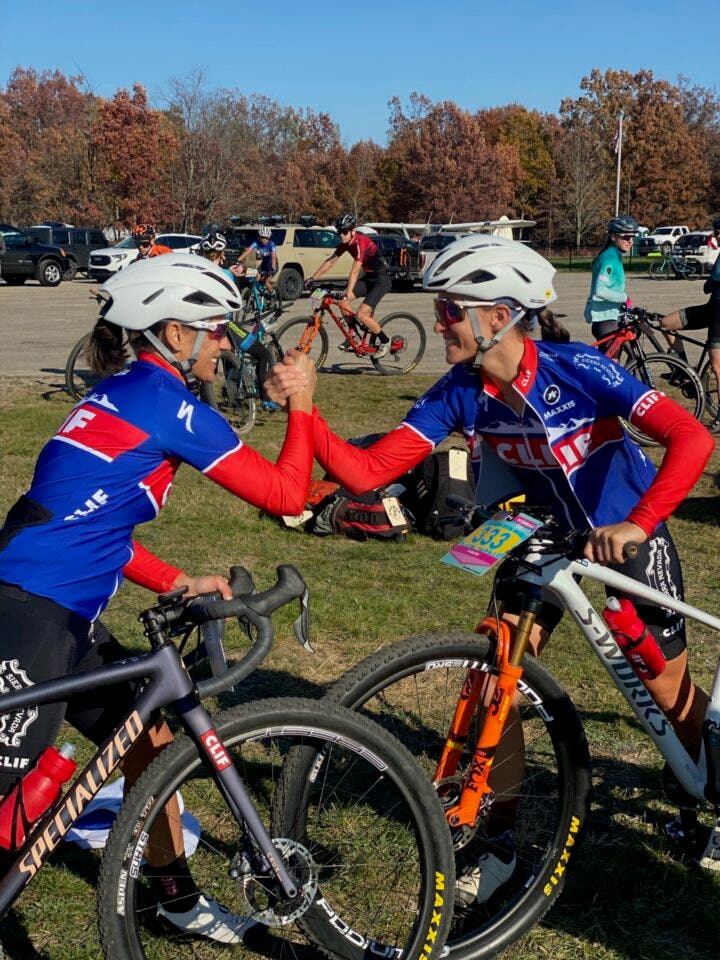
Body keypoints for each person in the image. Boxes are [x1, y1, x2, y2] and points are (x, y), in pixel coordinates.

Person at [276, 235, 714, 905]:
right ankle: (499, 838)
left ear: (499, 316)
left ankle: (705, 784)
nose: (438, 322)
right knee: (494, 680)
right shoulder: (459, 391)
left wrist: (637, 523)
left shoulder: (579, 368)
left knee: (667, 694)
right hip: (547, 536)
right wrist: (304, 405)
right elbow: (366, 472)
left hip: (628, 535)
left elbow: (692, 436)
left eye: (450, 310)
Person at [0, 254, 315, 944]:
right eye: (217, 329)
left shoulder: (118, 394)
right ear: (176, 334)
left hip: (55, 608)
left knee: (149, 741)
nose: (225, 343)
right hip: (32, 617)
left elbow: (88, 524)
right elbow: (288, 495)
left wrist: (177, 581)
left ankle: (177, 899)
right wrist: (302, 401)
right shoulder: (169, 406)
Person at [198, 226, 279, 411]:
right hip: (226, 325)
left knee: (209, 368)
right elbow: (234, 303)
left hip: (203, 327)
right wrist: (233, 274)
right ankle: (266, 399)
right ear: (222, 254)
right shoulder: (227, 274)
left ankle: (210, 403)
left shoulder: (199, 273)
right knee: (263, 354)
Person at [658, 216, 720, 432]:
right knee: (666, 323)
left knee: (717, 366)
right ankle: (685, 370)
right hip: (710, 308)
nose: (715, 237)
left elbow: (710, 284)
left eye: (717, 233)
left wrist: (711, 282)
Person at [306, 214, 392, 358]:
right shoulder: (345, 244)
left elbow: (355, 270)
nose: (341, 235)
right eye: (339, 232)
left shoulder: (361, 242)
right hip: (368, 278)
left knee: (361, 314)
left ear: (353, 231)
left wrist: (348, 290)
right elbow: (330, 261)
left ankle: (385, 341)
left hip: (381, 279)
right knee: (342, 302)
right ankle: (354, 334)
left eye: (344, 232)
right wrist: (313, 278)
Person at [584, 215, 640, 351]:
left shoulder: (614, 255)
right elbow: (599, 290)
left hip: (611, 316)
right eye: (626, 237)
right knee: (612, 363)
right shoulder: (609, 258)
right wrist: (624, 298)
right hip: (606, 320)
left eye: (633, 237)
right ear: (614, 237)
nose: (630, 241)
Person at [236, 225, 278, 295]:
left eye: (266, 238)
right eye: (262, 237)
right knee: (256, 277)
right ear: (259, 237)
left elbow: (273, 257)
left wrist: (273, 268)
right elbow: (248, 251)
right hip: (264, 264)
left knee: (266, 281)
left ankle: (272, 295)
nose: (264, 239)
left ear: (269, 238)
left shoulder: (272, 245)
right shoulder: (256, 243)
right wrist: (238, 260)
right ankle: (256, 294)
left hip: (272, 265)